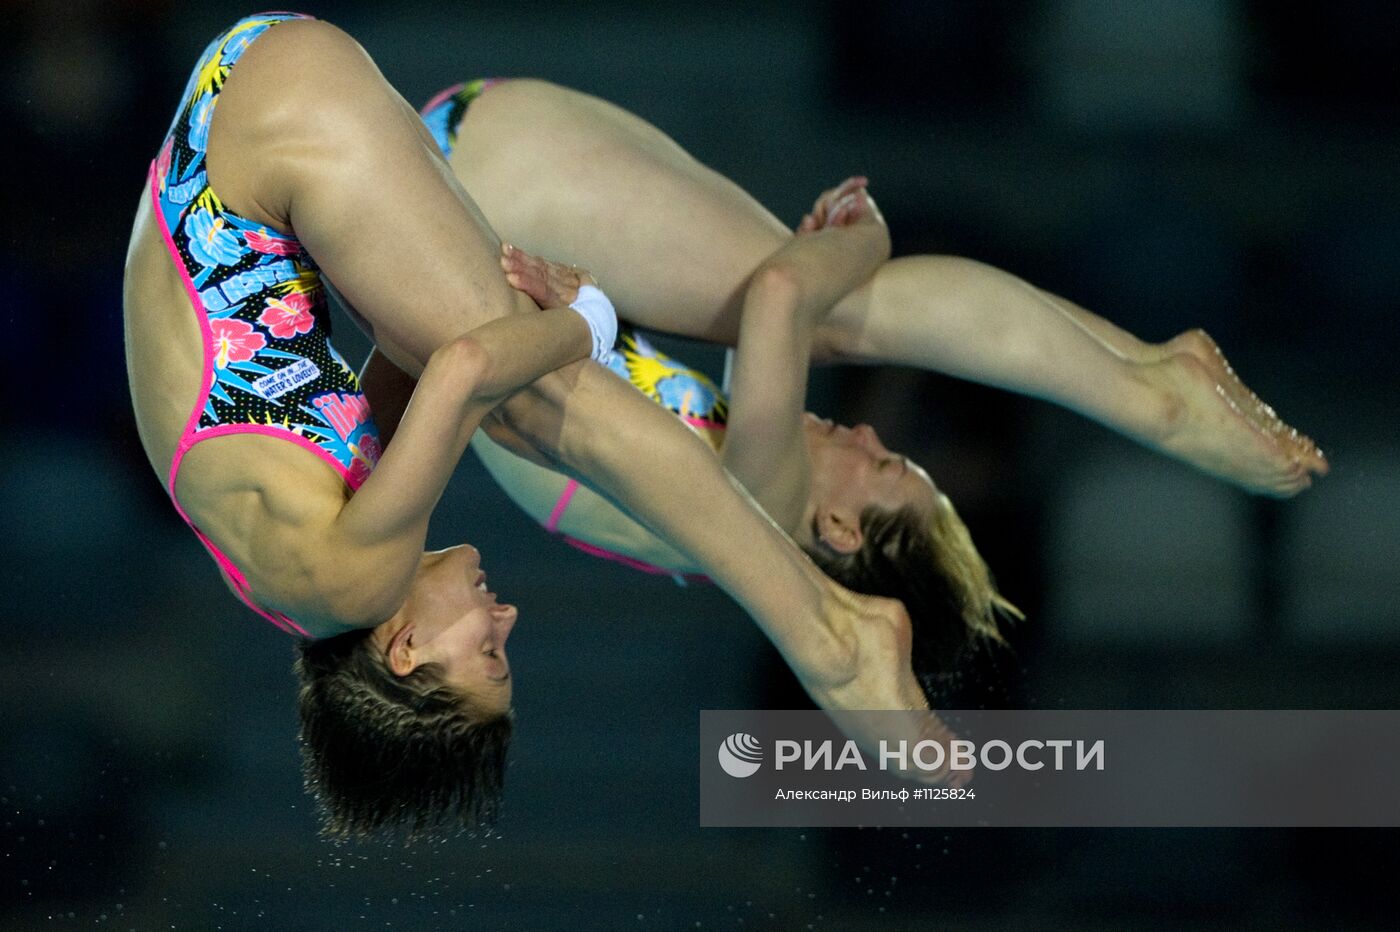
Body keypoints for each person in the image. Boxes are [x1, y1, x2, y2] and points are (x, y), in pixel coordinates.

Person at [124, 13, 946, 839]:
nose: (507, 622)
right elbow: (409, 364)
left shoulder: (353, 582)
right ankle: (830, 627)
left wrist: (586, 320)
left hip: (270, 126)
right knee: (511, 389)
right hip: (246, 109)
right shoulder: (303, 583)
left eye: (489, 656)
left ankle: (833, 640)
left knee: (535, 395)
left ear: (405, 655)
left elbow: (466, 370)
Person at [388, 79, 1327, 688]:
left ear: (837, 532)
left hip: (480, 175)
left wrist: (863, 238)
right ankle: (1141, 371)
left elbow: (788, 291)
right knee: (818, 313)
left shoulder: (760, 502)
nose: (875, 440)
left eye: (886, 472)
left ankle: (1152, 390)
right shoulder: (714, 521)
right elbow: (592, 352)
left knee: (834, 309)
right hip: (444, 198)